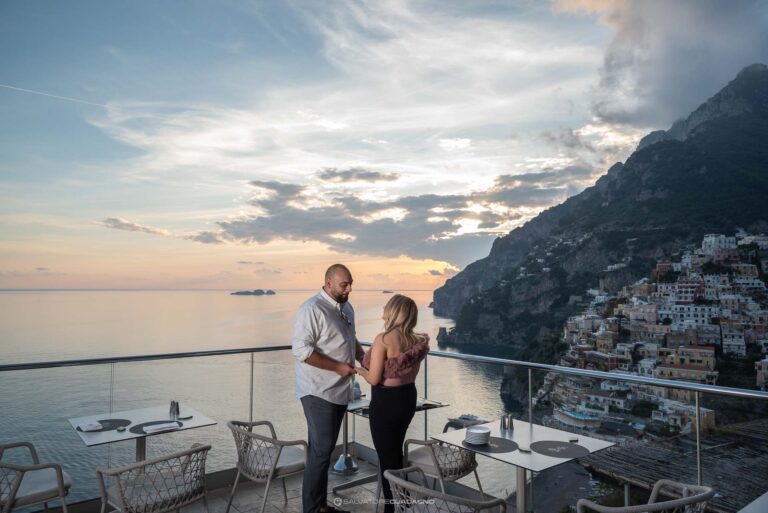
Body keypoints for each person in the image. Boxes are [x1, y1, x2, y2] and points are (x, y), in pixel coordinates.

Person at [292, 264, 365, 513]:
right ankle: (312, 510)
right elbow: (301, 351)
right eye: (344, 284)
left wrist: (362, 356)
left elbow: (349, 337)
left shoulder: (347, 307)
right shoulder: (311, 309)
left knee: (321, 451)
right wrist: (338, 367)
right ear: (328, 282)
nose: (349, 288)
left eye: (351, 283)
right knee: (322, 453)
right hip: (317, 391)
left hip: (339, 391)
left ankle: (320, 505)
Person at [356, 294, 430, 513]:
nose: (383, 306)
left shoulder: (384, 339)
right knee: (395, 452)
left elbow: (374, 378)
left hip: (386, 402)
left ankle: (391, 508)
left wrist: (359, 370)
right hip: (407, 398)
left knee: (386, 457)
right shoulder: (417, 341)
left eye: (387, 305)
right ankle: (404, 502)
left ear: (395, 311)